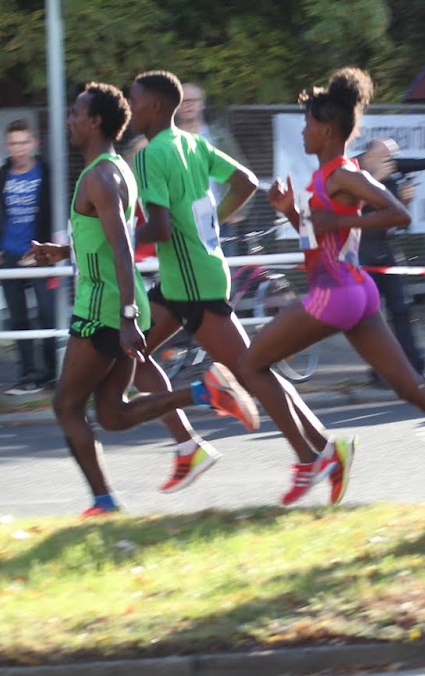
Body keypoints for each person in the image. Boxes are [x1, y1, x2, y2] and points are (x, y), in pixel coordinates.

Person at [235, 68, 425, 504]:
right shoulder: (327, 176)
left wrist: (336, 219)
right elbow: (322, 235)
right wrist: (291, 212)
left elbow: (398, 213)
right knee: (410, 386)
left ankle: (313, 457)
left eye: (308, 123)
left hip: (335, 294)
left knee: (250, 366)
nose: (304, 131)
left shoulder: (345, 173)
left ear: (327, 129)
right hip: (354, 292)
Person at [22, 83, 259, 517]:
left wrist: (129, 317)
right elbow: (111, 237)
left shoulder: (100, 176)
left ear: (95, 121)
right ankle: (203, 391)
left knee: (66, 405)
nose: (69, 120)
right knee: (112, 415)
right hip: (117, 305)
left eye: (75, 113)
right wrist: (64, 251)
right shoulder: (115, 169)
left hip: (103, 309)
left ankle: (104, 502)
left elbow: (121, 247)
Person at [122, 70, 308, 494]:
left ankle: (315, 451)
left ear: (154, 106)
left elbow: (161, 228)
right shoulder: (192, 143)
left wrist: (116, 239)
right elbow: (245, 182)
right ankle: (188, 447)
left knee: (251, 370)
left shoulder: (151, 155)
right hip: (183, 279)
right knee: (131, 354)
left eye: (134, 100)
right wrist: (213, 223)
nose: (130, 108)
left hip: (193, 284)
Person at [0, 119, 58, 394]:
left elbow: (56, 209)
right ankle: (27, 373)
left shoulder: (47, 173)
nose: (18, 149)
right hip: (10, 254)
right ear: (6, 146)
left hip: (40, 253)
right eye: (13, 143)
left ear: (34, 144)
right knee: (18, 319)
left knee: (47, 314)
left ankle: (50, 372)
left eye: (23, 142)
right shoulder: (0, 177)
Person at [357, 137, 425, 377]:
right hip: (363, 252)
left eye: (391, 157)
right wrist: (375, 181)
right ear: (369, 158)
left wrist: (406, 201)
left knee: (401, 309)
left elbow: (402, 222)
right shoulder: (354, 178)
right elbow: (352, 211)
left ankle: (414, 366)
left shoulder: (392, 181)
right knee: (371, 315)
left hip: (387, 250)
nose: (390, 162)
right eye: (384, 156)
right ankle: (380, 370)